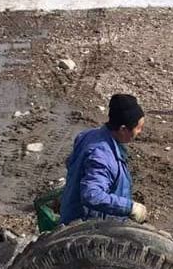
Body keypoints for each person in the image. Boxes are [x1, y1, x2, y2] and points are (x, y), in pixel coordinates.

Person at [59, 93, 147, 225]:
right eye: (138, 128)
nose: (140, 132)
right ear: (123, 129)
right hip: (86, 226)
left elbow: (71, 163)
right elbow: (91, 195)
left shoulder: (87, 135)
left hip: (72, 211)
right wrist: (129, 207)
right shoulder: (103, 156)